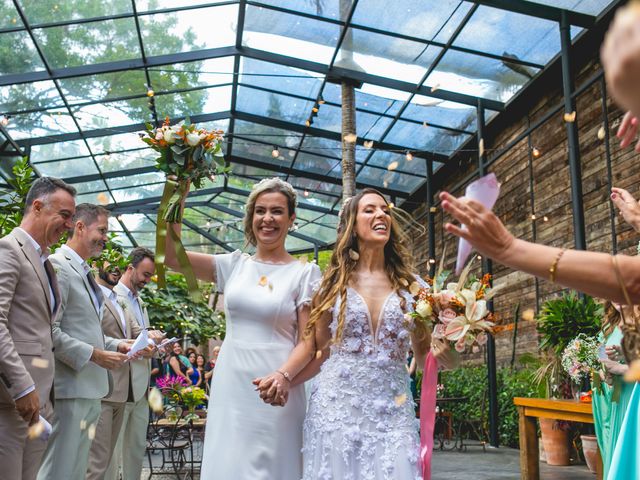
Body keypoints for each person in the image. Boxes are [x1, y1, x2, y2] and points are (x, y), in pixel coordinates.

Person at [293, 189, 457, 478]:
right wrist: (286, 379)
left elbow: (423, 355)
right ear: (352, 225)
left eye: (385, 210)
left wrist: (449, 354)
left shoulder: (413, 288)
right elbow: (320, 352)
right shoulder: (329, 286)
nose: (381, 214)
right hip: (336, 408)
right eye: (370, 210)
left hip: (394, 409)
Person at [164, 177, 321, 479]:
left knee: (275, 465)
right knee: (230, 463)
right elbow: (171, 256)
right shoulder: (233, 265)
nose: (267, 219)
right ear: (251, 218)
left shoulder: (304, 273)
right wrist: (175, 193)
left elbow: (308, 342)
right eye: (260, 211)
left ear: (291, 219)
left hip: (279, 385)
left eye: (277, 211)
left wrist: (283, 375)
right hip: (232, 383)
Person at [37, 204, 129, 480]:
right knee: (58, 470)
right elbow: (48, 330)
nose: (105, 237)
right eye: (101, 230)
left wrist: (117, 345)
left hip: (90, 388)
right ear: (79, 227)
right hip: (69, 389)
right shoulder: (59, 267)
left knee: (75, 472)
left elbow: (86, 331)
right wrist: (96, 355)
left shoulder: (83, 270)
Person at [0, 177, 75, 480]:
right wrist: (24, 387)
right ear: (38, 206)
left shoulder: (44, 261)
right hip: (11, 402)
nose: (69, 225)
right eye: (65, 215)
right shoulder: (8, 249)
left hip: (38, 407)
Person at [106, 247, 158, 480]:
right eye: (145, 275)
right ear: (130, 268)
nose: (147, 280)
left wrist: (156, 344)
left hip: (141, 389)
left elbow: (141, 338)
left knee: (135, 449)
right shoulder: (112, 296)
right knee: (112, 452)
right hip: (119, 386)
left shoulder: (140, 302)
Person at [592, 301, 635, 479]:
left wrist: (621, 369)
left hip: (632, 397)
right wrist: (605, 375)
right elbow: (600, 362)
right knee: (611, 450)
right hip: (608, 402)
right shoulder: (608, 328)